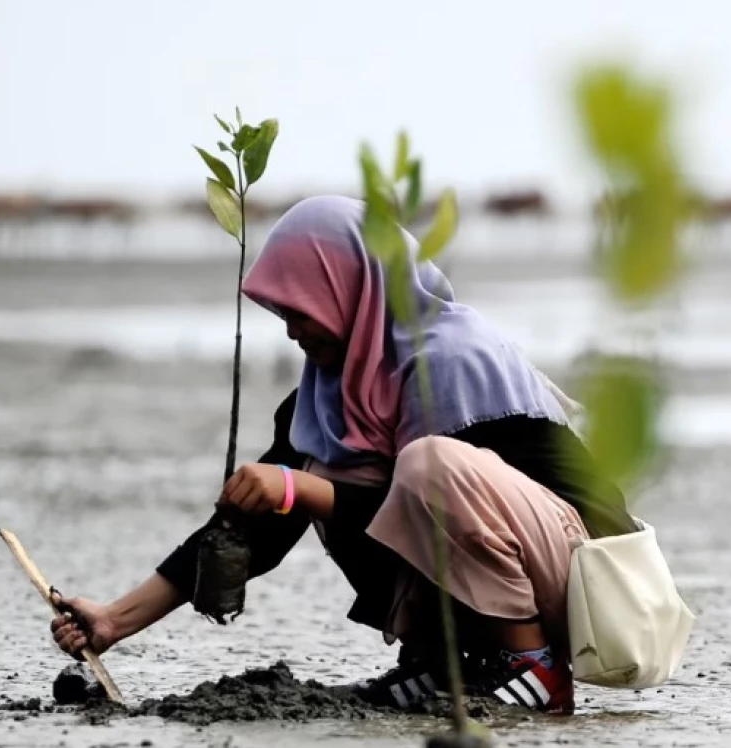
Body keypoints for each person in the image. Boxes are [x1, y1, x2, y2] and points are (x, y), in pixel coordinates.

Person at [49, 195, 635, 715]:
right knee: (319, 467)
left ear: (346, 289)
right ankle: (440, 662)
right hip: (517, 569)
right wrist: (115, 621)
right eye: (282, 314)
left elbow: (452, 498)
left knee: (427, 466)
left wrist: (297, 489)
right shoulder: (328, 398)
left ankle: (535, 666)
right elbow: (257, 525)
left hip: (586, 581)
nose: (290, 332)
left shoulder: (454, 358)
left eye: (299, 310)